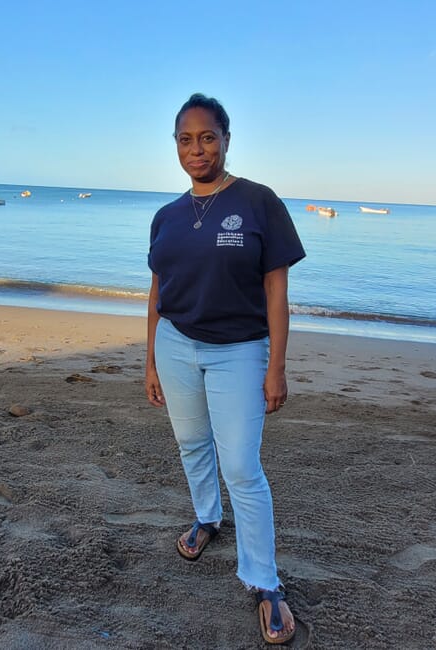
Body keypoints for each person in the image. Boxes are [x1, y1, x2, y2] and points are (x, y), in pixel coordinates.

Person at [145, 93, 305, 645]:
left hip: (239, 350)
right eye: (186, 140)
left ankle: (264, 582)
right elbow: (158, 292)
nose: (197, 149)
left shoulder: (259, 201)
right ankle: (208, 518)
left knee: (241, 465)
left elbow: (276, 290)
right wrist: (150, 360)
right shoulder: (166, 215)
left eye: (207, 137)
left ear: (226, 139)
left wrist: (276, 367)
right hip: (175, 345)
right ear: (176, 146)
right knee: (192, 444)